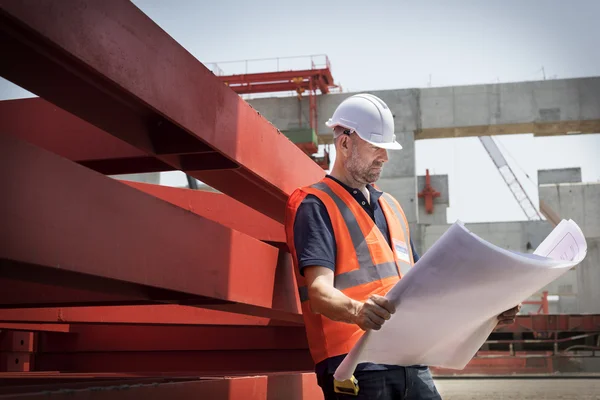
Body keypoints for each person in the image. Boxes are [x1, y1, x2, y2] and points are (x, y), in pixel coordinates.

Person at [284, 93, 520, 399]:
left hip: (410, 361)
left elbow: (428, 291)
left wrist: (489, 309)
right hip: (355, 365)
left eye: (386, 148)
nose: (385, 157)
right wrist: (358, 310)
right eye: (375, 147)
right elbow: (319, 293)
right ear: (345, 143)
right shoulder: (314, 204)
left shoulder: (392, 208)